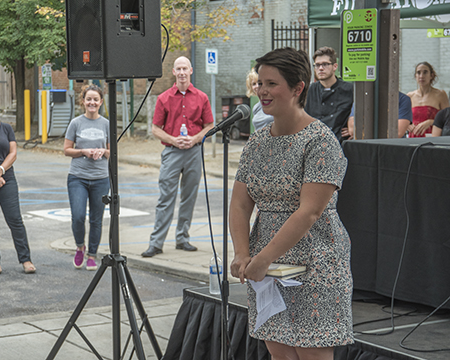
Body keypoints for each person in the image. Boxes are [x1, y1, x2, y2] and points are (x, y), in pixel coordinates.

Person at [229, 47, 354, 360]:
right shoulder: (257, 141)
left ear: (298, 88)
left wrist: (262, 257)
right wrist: (243, 252)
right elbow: (240, 204)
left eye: (271, 83)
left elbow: (309, 212)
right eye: (260, 83)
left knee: (311, 354)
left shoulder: (320, 141)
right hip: (268, 264)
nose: (262, 90)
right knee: (279, 351)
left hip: (315, 261)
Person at [141, 56, 214, 257]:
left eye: (185, 68)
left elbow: (210, 125)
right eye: (178, 69)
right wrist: (173, 140)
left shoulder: (202, 97)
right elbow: (155, 128)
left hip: (194, 152)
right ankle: (156, 243)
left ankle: (182, 238)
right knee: (166, 198)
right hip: (172, 152)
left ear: (191, 71)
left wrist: (195, 139)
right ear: (173, 72)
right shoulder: (164, 98)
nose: (182, 72)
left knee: (189, 197)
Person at [0, 94, 36, 275]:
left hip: (7, 178)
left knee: (15, 219)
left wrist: (1, 171)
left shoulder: (6, 128)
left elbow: (13, 153)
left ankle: (25, 259)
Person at [63, 84, 110, 271]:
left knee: (96, 219)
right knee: (78, 216)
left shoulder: (106, 124)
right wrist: (83, 151)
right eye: (88, 99)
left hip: (100, 178)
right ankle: (79, 246)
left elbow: (112, 151)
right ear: (83, 102)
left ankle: (92, 255)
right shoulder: (76, 123)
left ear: (101, 102)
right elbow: (66, 150)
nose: (92, 102)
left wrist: (103, 151)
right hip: (78, 177)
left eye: (95, 99)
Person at [303, 46, 353, 142]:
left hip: (340, 144)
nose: (320, 68)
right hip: (315, 144)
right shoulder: (309, 91)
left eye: (325, 64)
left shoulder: (349, 90)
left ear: (335, 66)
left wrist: (355, 126)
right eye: (317, 65)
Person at [406, 62, 449, 137]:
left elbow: (448, 120)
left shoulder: (440, 94)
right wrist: (407, 124)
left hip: (433, 138)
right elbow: (401, 119)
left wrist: (431, 122)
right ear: (415, 76)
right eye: (418, 73)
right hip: (413, 138)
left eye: (425, 72)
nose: (421, 76)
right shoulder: (410, 96)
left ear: (431, 75)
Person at [345, 92, 413, 139]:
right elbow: (353, 129)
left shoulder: (403, 99)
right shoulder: (362, 98)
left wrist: (364, 128)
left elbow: (398, 132)